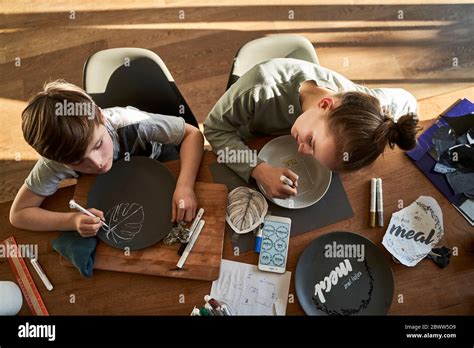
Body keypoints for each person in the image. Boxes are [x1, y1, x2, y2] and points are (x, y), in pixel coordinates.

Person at [9, 80, 204, 237]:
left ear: (101, 117)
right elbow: (19, 214)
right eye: (78, 162)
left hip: (160, 164)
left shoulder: (132, 123)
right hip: (112, 191)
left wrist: (185, 186)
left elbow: (192, 134)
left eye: (98, 145)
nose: (97, 163)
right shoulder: (54, 162)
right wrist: (72, 221)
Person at [204, 58, 420, 199]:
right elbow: (214, 129)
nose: (302, 151)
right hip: (247, 137)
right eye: (312, 142)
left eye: (315, 153)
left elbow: (409, 101)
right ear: (325, 105)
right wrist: (258, 169)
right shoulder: (261, 89)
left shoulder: (368, 105)